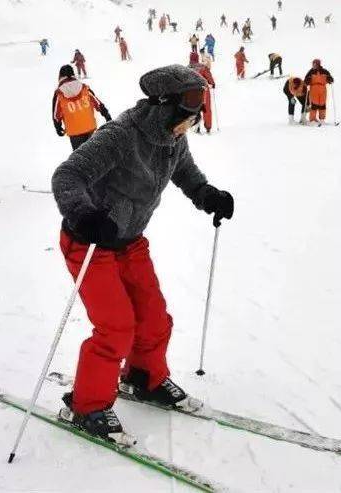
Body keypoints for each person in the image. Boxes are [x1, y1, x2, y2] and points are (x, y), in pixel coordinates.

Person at [49, 65, 234, 438]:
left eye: (200, 106)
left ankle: (144, 377)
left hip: (129, 240)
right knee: (116, 327)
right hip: (90, 242)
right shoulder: (121, 135)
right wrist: (84, 214)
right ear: (164, 104)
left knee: (153, 318)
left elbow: (185, 172)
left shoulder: (172, 135)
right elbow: (67, 176)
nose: (194, 116)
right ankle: (87, 406)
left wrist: (207, 195)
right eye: (190, 106)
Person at [52, 65, 112, 150]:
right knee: (93, 153)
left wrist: (58, 127)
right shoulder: (84, 88)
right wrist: (106, 115)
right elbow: (98, 103)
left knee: (81, 159)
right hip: (89, 127)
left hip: (74, 132)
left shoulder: (59, 94)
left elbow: (56, 115)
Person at [304, 59, 334, 124]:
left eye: (315, 64)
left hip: (322, 88)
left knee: (322, 104)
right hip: (314, 88)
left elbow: (330, 78)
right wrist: (307, 81)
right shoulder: (311, 71)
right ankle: (312, 119)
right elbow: (305, 80)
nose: (314, 65)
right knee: (314, 103)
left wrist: (330, 79)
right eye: (313, 64)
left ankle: (322, 119)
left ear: (318, 64)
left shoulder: (324, 71)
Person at [191, 60, 216, 133]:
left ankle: (196, 126)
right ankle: (208, 127)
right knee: (206, 109)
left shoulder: (188, 68)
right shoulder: (203, 68)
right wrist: (213, 83)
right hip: (204, 91)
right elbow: (209, 77)